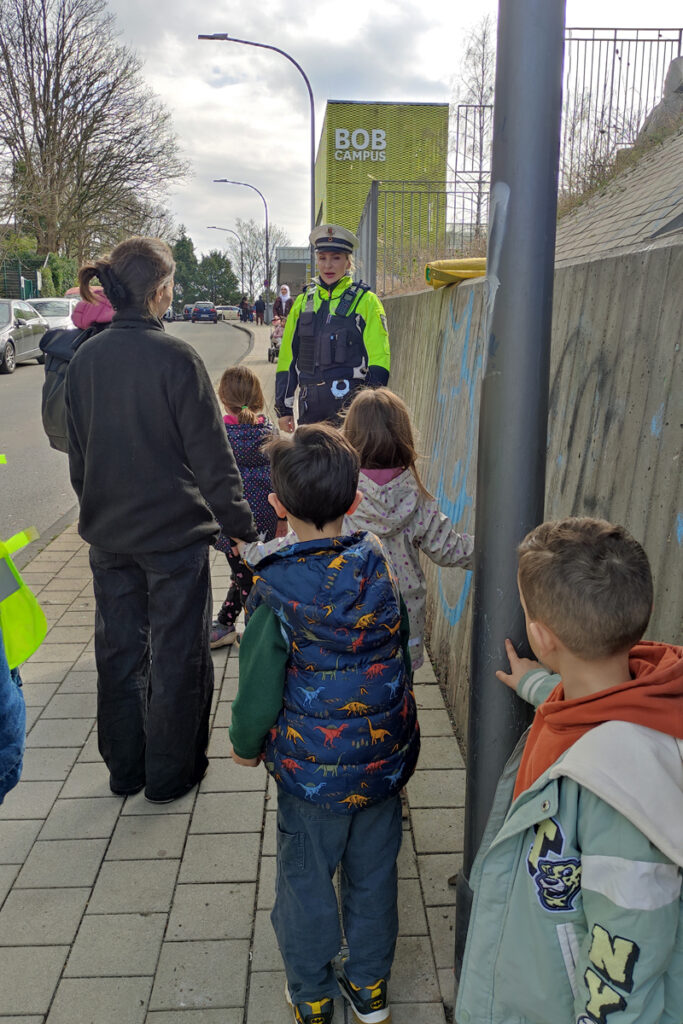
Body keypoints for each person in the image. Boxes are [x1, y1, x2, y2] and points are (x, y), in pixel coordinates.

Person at [456, 517, 683, 1024]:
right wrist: (537, 686)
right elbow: (586, 705)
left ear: (540, 634)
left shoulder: (624, 797)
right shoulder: (619, 698)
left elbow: (628, 962)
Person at [230, 424, 420, 1024]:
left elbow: (259, 685)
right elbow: (402, 650)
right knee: (373, 878)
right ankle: (369, 990)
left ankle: (311, 993)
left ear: (277, 505)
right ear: (356, 501)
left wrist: (244, 743)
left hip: (311, 781)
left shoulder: (276, 586)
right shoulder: (378, 565)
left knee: (306, 882)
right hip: (382, 765)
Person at [64, 236, 257, 804]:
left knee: (119, 654)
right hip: (174, 541)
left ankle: (125, 770)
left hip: (109, 536)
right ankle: (171, 776)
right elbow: (213, 461)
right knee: (179, 656)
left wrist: (98, 508)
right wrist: (243, 530)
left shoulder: (86, 359)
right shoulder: (177, 359)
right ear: (161, 290)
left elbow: (80, 457)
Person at [343, 387, 474, 671]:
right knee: (401, 701)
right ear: (404, 437)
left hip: (349, 628)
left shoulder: (338, 496)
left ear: (349, 437)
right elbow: (450, 550)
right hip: (403, 631)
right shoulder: (417, 500)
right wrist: (500, 549)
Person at [275, 224, 390, 431]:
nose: (328, 265)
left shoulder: (367, 301)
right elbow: (287, 359)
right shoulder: (302, 303)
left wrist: (372, 407)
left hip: (351, 411)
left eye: (336, 258)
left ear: (348, 262)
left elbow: (379, 357)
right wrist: (283, 409)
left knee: (349, 463)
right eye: (322, 258)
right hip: (310, 409)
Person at [210, 365, 279, 649]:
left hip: (232, 524)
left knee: (248, 581)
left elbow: (211, 483)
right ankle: (226, 622)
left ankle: (256, 638)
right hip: (267, 521)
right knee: (247, 574)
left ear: (223, 401)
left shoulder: (219, 435)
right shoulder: (269, 432)